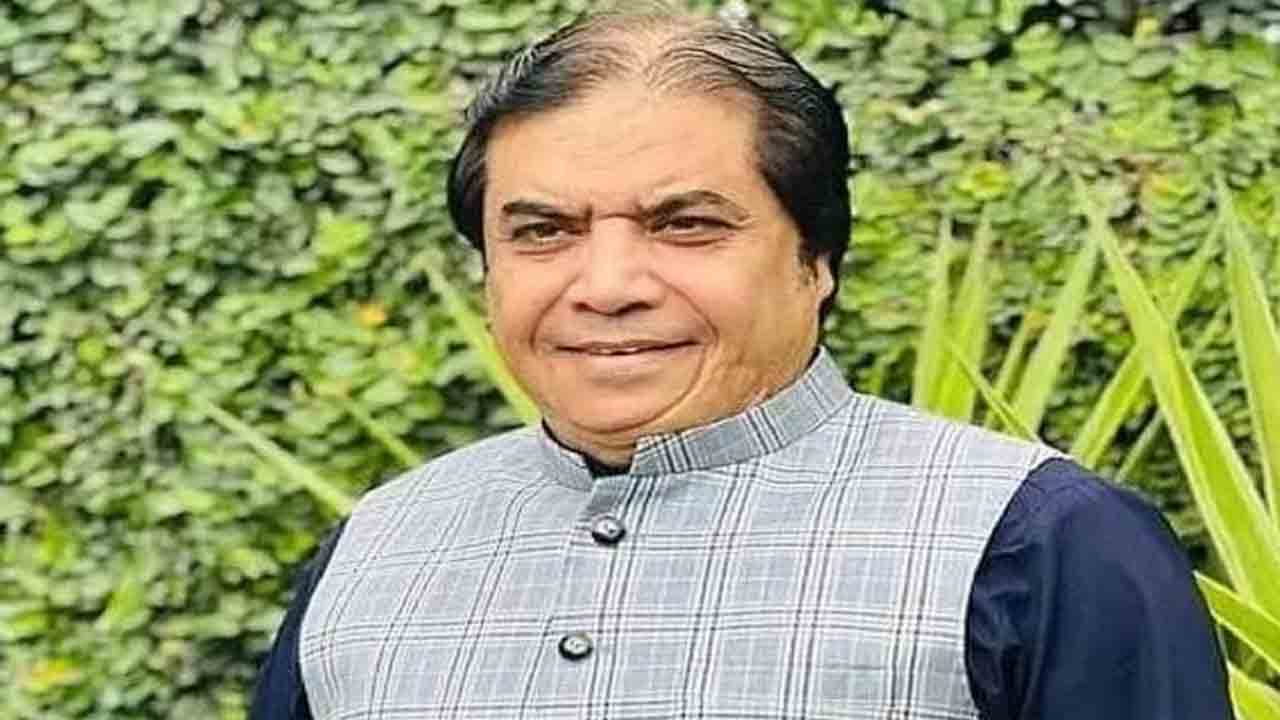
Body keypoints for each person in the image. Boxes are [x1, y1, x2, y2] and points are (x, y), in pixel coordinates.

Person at [251, 7, 1232, 719]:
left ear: (816, 259)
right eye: (543, 231)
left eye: (685, 224)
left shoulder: (1039, 544)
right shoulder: (377, 548)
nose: (606, 285)